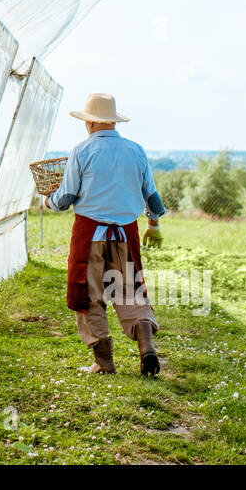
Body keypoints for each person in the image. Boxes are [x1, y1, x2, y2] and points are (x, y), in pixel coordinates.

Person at [45, 92, 165, 376]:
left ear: (89, 124)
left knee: (88, 295)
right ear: (113, 122)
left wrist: (48, 200)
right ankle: (147, 349)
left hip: (91, 236)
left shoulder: (82, 151)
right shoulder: (136, 150)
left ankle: (104, 363)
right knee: (131, 292)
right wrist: (154, 223)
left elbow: (67, 197)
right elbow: (152, 196)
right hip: (126, 234)